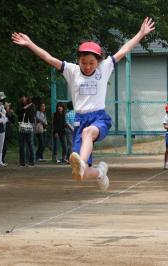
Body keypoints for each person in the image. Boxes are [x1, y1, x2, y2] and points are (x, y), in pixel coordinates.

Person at [12, 17, 155, 190]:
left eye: (91, 63)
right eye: (84, 63)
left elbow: (124, 50)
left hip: (99, 118)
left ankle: (81, 160)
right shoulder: (71, 71)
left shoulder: (105, 68)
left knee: (89, 132)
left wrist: (140, 33)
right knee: (81, 175)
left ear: (99, 61)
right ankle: (100, 172)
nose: (87, 67)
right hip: (80, 120)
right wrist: (29, 43)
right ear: (78, 60)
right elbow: (48, 58)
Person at [16, 94, 36, 167]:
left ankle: (32, 161)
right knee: (21, 145)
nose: (22, 99)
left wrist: (24, 111)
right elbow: (17, 112)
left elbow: (31, 115)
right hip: (21, 127)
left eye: (23, 97)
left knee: (30, 144)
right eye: (21, 97)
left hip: (29, 127)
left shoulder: (32, 105)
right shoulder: (20, 105)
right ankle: (22, 162)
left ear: (27, 97)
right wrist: (25, 108)